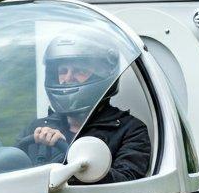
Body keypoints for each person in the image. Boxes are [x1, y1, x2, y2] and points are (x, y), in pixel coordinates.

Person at [18, 29, 151, 183]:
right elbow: (12, 171)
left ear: (102, 76)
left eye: (79, 71)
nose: (67, 79)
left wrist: (69, 154)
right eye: (63, 71)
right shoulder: (37, 128)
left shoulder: (130, 131)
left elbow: (126, 182)